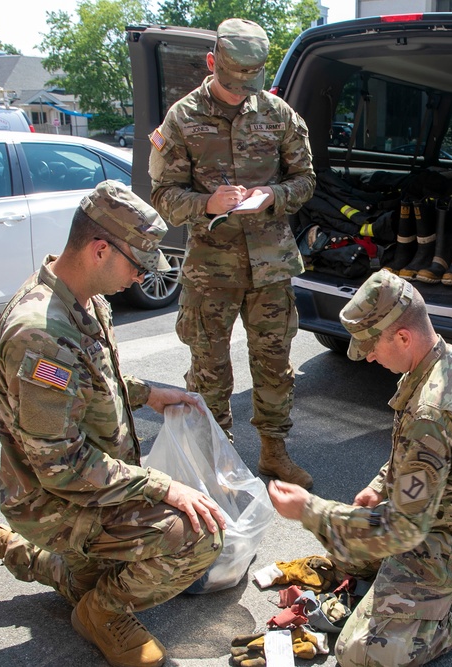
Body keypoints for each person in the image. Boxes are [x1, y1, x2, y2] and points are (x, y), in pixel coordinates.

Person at [0, 181, 225, 667]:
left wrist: (149, 394)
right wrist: (162, 487)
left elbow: (93, 381)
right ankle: (102, 617)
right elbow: (61, 467)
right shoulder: (41, 334)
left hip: (91, 484)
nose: (141, 277)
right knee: (198, 535)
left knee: (90, 580)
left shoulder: (85, 299)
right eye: (137, 264)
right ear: (99, 248)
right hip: (53, 497)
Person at [268, 270, 452, 667]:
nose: (370, 357)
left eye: (371, 346)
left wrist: (309, 510)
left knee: (360, 652)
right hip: (447, 520)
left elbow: (404, 529)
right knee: (349, 553)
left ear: (403, 337)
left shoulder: (432, 407)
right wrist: (381, 484)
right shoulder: (445, 359)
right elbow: (422, 456)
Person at [148, 18, 316, 489]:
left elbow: (306, 181)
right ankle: (217, 460)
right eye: (230, 80)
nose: (240, 90)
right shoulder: (181, 119)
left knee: (274, 364)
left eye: (249, 82)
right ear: (211, 63)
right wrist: (207, 203)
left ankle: (273, 453)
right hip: (210, 273)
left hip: (271, 267)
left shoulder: (280, 116)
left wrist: (273, 196)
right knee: (209, 368)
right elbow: (162, 195)